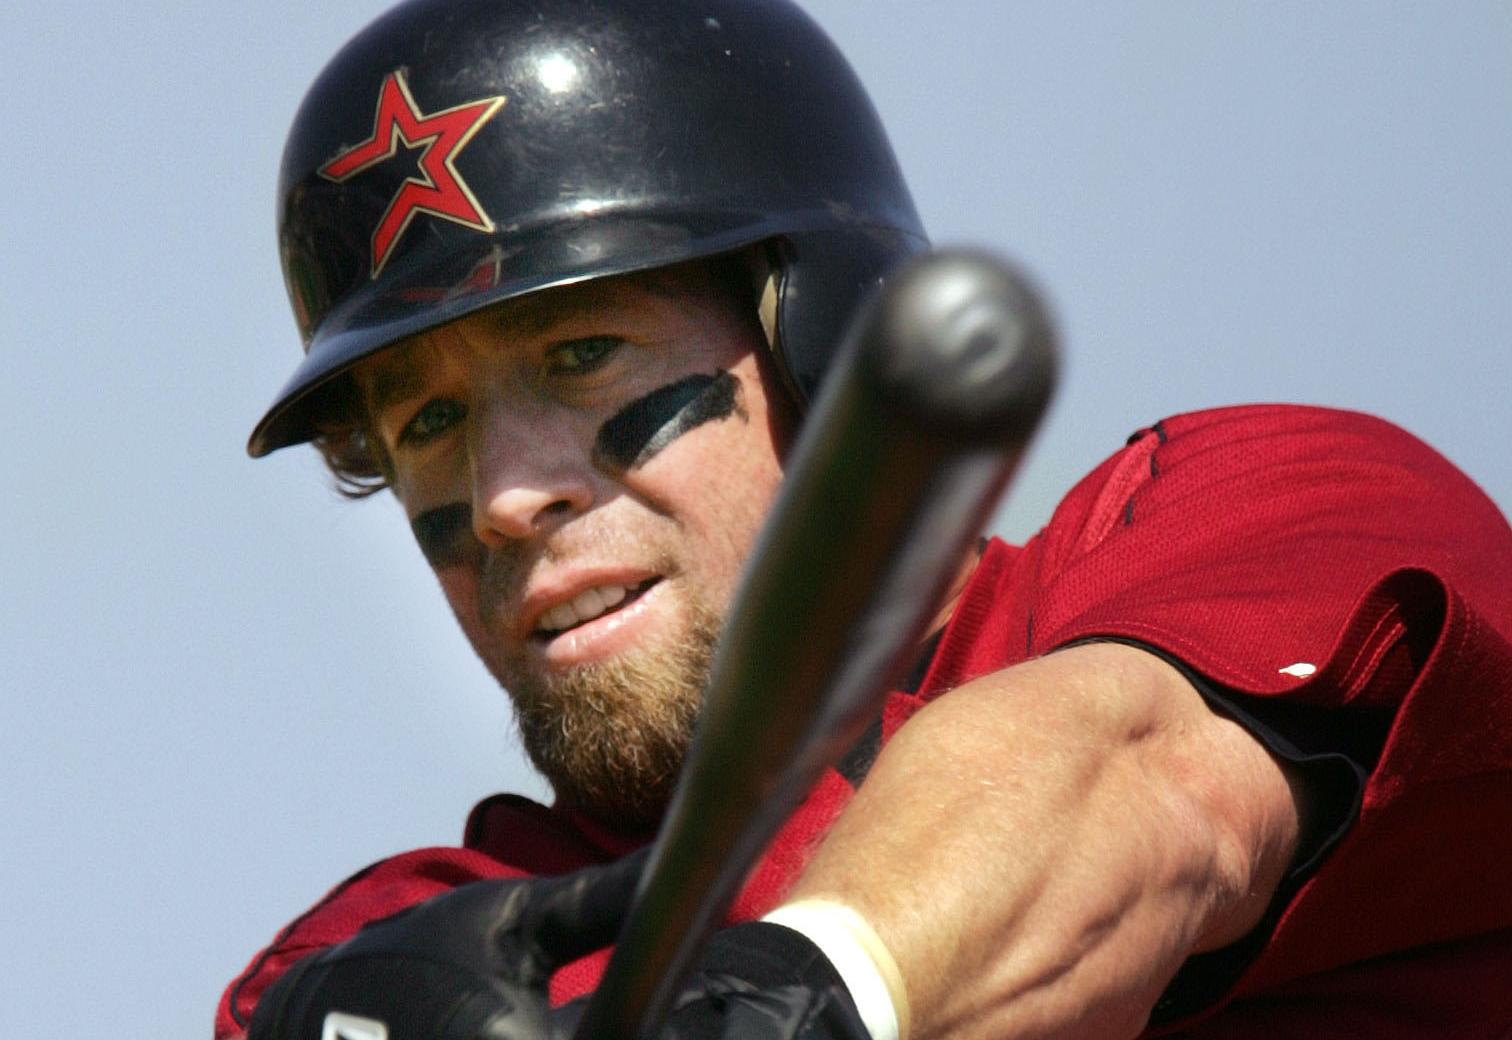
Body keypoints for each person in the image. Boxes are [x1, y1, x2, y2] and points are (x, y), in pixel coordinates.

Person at [218, 0, 1512, 1036]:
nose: (504, 497)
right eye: (427, 426)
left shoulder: (1276, 502)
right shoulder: (402, 959)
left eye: (581, 353)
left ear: (830, 343)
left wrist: (814, 991)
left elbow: (1146, 786)